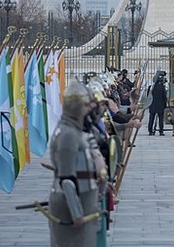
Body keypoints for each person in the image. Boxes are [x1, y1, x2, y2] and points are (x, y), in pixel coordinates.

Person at [48, 81, 102, 246]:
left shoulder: (74, 131)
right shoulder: (68, 135)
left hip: (83, 199)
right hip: (71, 205)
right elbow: (67, 178)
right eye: (85, 105)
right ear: (75, 106)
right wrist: (76, 212)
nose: (89, 109)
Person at [148, 71, 168, 136]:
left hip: (152, 104)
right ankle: (161, 131)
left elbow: (148, 96)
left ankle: (150, 130)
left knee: (151, 118)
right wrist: (165, 105)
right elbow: (164, 97)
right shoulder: (162, 87)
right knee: (160, 119)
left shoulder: (151, 87)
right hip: (160, 105)